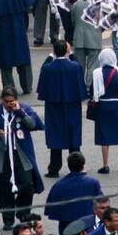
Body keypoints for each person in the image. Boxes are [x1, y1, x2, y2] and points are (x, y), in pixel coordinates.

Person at [0, 86, 45, 230]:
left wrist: (19, 111)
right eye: (7, 102)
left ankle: (23, 213)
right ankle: (8, 219)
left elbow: (33, 125)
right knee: (5, 188)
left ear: (16, 100)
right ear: (2, 100)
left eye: (12, 101)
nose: (9, 104)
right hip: (2, 156)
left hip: (21, 155)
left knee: (27, 184)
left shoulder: (24, 109)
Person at [36, 38, 87, 176]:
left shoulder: (48, 68)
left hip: (54, 107)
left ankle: (54, 168)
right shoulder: (74, 66)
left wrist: (50, 56)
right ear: (66, 50)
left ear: (54, 51)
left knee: (55, 137)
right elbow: (79, 67)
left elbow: (42, 73)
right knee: (73, 137)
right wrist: (71, 53)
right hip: (72, 106)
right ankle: (78, 166)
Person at [89, 47, 118, 175]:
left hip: (103, 106)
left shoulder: (97, 73)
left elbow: (92, 91)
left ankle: (105, 165)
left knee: (104, 135)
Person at [44, 151, 103, 232]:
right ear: (83, 165)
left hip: (66, 227)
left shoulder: (58, 185)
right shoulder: (93, 183)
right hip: (88, 227)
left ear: (68, 165)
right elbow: (102, 204)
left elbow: (50, 208)